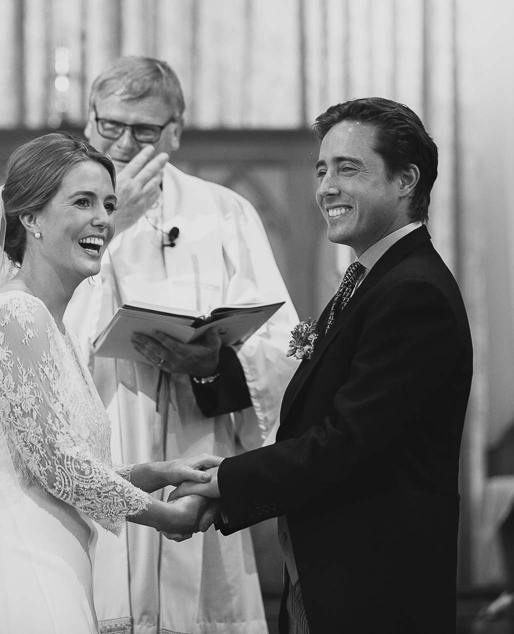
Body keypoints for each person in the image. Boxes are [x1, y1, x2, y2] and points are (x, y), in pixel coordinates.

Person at [0, 133, 222, 634]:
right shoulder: (17, 316)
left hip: (53, 558)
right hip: (21, 569)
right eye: (82, 202)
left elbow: (57, 461)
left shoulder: (50, 326)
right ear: (31, 219)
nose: (104, 219)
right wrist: (165, 516)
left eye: (109, 203)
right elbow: (60, 468)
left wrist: (160, 470)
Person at [173, 97, 474, 633]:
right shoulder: (373, 278)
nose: (325, 188)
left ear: (406, 180)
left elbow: (349, 441)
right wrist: (213, 368)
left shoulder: (413, 293)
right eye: (321, 169)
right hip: (328, 571)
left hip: (373, 587)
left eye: (347, 169)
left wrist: (227, 480)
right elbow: (318, 401)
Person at [64, 56, 299, 634]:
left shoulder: (225, 213)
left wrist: (215, 364)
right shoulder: (60, 207)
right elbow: (45, 332)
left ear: (175, 132)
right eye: (110, 127)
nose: (122, 144)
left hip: (201, 443)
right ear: (89, 124)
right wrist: (115, 226)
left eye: (143, 131)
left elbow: (284, 344)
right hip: (108, 439)